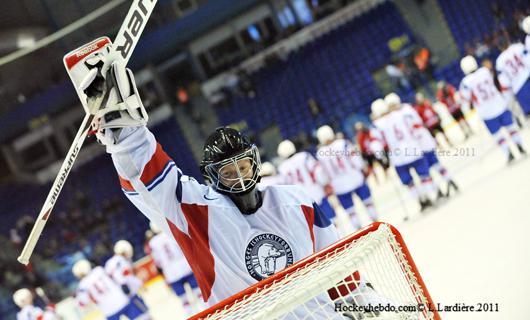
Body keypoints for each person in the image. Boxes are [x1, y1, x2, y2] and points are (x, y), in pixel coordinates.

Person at [76, 51, 351, 317]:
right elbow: (153, 181)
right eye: (228, 172)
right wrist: (125, 131)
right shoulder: (198, 211)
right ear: (212, 176)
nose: (240, 176)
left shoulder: (296, 198)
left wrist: (364, 307)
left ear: (254, 161)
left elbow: (340, 266)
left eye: (242, 166)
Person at [372, 94, 438, 213]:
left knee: (409, 183)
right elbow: (416, 128)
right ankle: (430, 195)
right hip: (413, 150)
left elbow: (376, 145)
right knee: (424, 175)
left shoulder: (377, 125)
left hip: (397, 157)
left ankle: (421, 200)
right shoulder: (402, 113)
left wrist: (382, 158)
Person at [459, 55, 526, 163]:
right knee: (511, 128)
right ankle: (519, 145)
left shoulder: (465, 82)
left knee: (497, 135)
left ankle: (508, 153)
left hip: (486, 112)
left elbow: (465, 99)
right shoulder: (485, 71)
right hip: (499, 103)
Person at [316, 125, 377, 228]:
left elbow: (321, 173)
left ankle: (359, 230)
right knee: (368, 202)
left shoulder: (320, 154)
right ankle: (375, 222)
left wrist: (326, 184)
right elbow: (355, 158)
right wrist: (363, 168)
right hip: (355, 177)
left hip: (338, 185)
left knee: (350, 211)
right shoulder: (343, 143)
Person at [148, 222, 201, 316]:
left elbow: (158, 262)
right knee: (198, 293)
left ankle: (191, 315)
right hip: (185, 266)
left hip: (171, 273)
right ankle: (207, 310)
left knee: (184, 301)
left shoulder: (152, 243)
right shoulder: (170, 233)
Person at [276, 139, 336, 220]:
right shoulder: (304, 156)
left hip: (301, 203)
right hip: (317, 194)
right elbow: (318, 172)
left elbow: (284, 190)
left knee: (316, 230)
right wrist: (325, 183)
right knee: (331, 222)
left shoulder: (282, 168)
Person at [72, 260, 149, 320]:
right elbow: (118, 278)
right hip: (121, 300)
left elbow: (83, 302)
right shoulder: (99, 270)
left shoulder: (82, 286)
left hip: (108, 310)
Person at [105, 240, 150, 316]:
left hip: (119, 298)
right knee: (145, 315)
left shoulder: (108, 263)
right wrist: (140, 284)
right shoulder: (121, 261)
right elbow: (126, 278)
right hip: (130, 294)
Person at [495, 33, 530, 115]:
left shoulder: (499, 61)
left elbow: (504, 82)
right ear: (507, 41)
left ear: (499, 47)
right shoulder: (518, 47)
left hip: (519, 89)